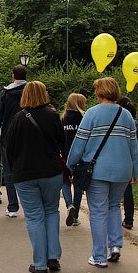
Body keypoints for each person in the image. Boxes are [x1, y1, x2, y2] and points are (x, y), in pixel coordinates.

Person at [66, 77, 138, 268]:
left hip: (97, 170)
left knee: (98, 211)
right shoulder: (126, 115)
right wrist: (135, 171)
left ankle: (99, 255)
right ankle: (115, 246)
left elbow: (78, 145)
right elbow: (133, 147)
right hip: (123, 170)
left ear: (99, 92)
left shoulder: (92, 114)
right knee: (114, 205)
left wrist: (70, 165)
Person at [3, 81, 64, 273]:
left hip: (25, 174)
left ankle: (39, 263)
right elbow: (61, 143)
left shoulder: (18, 119)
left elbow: (9, 148)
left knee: (34, 217)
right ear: (44, 94)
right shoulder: (53, 116)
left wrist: (13, 171)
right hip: (51, 172)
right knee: (51, 212)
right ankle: (53, 256)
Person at [0, 65, 28, 216]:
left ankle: (13, 206)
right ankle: (28, 203)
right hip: (27, 136)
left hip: (8, 136)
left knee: (9, 171)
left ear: (13, 76)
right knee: (26, 170)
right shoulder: (31, 91)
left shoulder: (5, 93)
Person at [60, 93, 86, 226]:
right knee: (78, 186)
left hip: (65, 157)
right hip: (81, 157)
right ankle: (75, 216)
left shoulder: (63, 118)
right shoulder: (84, 117)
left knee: (65, 182)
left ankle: (69, 205)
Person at [116, 95, 138, 230]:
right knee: (127, 190)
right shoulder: (135, 122)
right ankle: (129, 219)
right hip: (129, 159)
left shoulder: (120, 121)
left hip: (118, 157)